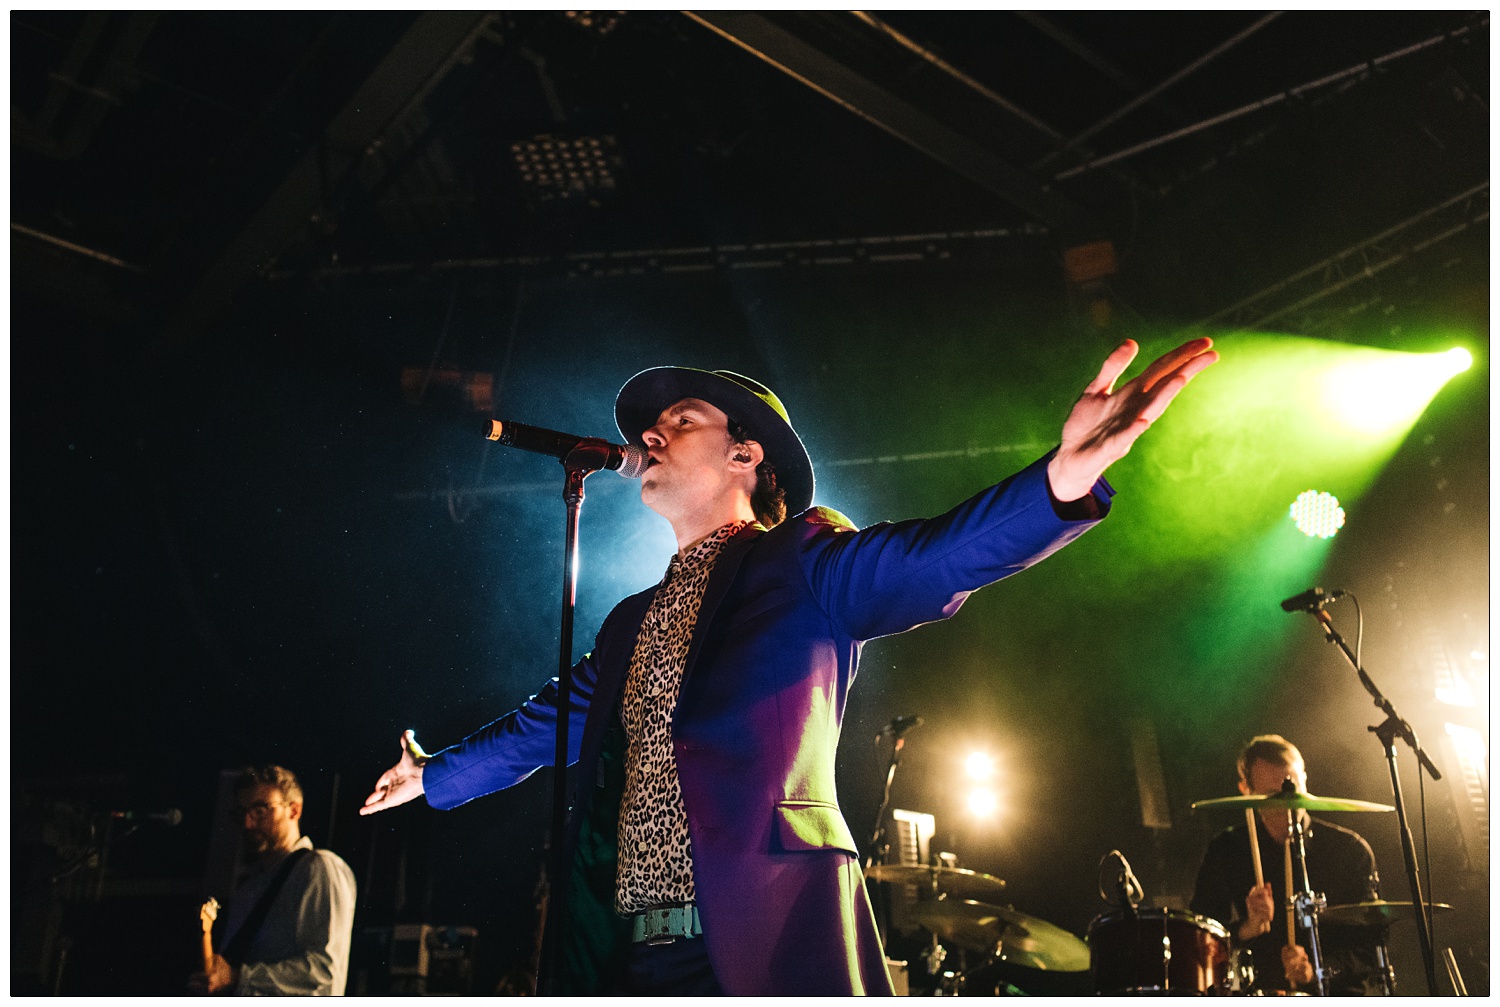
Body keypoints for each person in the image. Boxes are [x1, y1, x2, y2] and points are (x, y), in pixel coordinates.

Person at [362, 338, 1218, 995]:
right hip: (629, 953)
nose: (651, 434)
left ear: (747, 455)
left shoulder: (801, 556)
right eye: (650, 428)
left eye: (681, 419)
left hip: (760, 932)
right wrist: (436, 775)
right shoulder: (631, 621)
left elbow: (931, 561)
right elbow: (550, 722)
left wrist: (1060, 481)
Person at [1191, 735, 1387, 995]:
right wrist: (1247, 929)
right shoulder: (1227, 849)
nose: (1287, 802)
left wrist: (1319, 970)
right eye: (1273, 795)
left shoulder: (1350, 850)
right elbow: (1200, 936)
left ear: (1304, 779)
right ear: (1246, 791)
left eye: (1292, 788)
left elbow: (1371, 947)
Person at [191, 765, 358, 996]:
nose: (248, 824)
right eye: (242, 813)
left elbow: (325, 975)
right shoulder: (247, 887)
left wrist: (239, 977)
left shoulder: (318, 867)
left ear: (294, 810)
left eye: (260, 811)